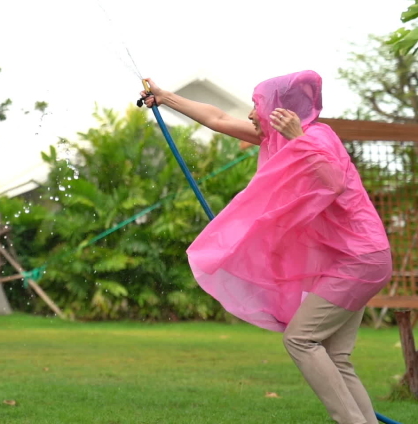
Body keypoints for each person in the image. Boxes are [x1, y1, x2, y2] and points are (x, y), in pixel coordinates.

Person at [140, 70, 392, 424]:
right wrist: (166, 99)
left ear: (281, 112)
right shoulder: (278, 140)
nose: (249, 114)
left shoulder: (317, 137)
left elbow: (333, 181)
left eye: (257, 106)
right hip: (355, 259)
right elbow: (219, 118)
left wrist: (298, 137)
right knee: (336, 357)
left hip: (359, 259)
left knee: (301, 341)